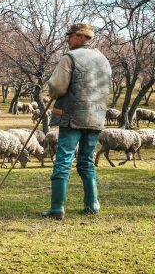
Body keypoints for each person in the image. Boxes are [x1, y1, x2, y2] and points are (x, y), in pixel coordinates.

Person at [41, 23, 112, 220]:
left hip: (72, 116)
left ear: (81, 36)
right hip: (96, 117)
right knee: (86, 160)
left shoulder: (70, 57)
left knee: (64, 160)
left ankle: (57, 208)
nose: (68, 39)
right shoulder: (104, 60)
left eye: (70, 35)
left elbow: (57, 87)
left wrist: (53, 94)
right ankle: (93, 204)